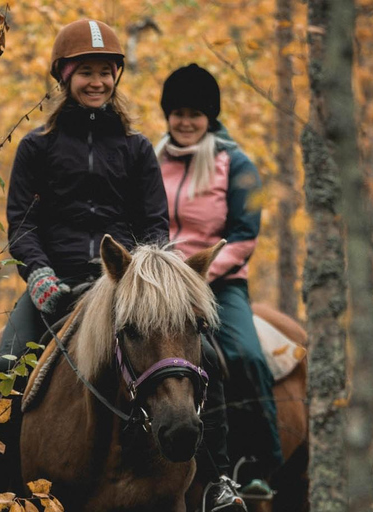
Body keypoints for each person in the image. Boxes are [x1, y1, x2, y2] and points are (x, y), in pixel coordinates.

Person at [0, 18, 186, 511]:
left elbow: (155, 226)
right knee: (6, 366)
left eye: (105, 71)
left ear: (117, 77)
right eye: (85, 71)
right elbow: (22, 227)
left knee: (198, 361)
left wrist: (141, 279)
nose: (97, 81)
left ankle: (213, 482)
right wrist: (39, 272)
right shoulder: (36, 148)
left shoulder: (136, 151)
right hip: (56, 285)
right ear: (64, 77)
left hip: (121, 288)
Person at [156, 63, 284, 501]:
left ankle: (259, 464)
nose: (186, 121)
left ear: (210, 116)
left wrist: (201, 275)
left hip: (220, 281)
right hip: (162, 286)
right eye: (178, 113)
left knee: (244, 354)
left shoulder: (237, 162)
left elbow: (246, 234)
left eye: (195, 113)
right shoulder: (152, 160)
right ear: (167, 115)